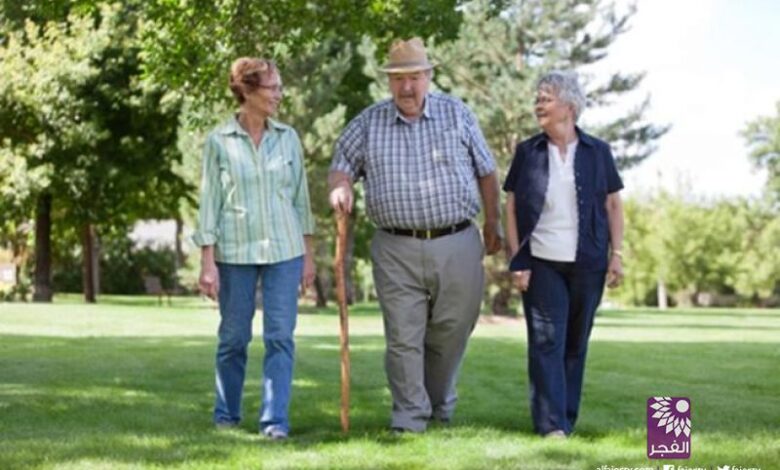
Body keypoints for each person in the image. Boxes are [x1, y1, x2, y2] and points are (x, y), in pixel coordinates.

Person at [328, 37, 503, 433]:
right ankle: (409, 416)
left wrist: (493, 223)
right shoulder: (368, 123)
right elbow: (341, 165)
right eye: (398, 79)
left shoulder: (457, 114)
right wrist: (339, 187)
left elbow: (487, 171)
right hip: (395, 246)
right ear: (388, 81)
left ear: (428, 76)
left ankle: (438, 403)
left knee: (452, 329)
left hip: (457, 240)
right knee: (403, 336)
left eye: (414, 78)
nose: (406, 87)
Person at [192, 57, 316, 440]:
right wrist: (207, 262)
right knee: (233, 338)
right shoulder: (219, 141)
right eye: (272, 87)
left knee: (280, 336)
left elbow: (301, 200)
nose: (279, 94)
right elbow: (210, 202)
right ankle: (226, 415)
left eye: (279, 87)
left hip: (285, 250)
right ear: (247, 91)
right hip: (235, 253)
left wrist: (308, 256)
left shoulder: (288, 137)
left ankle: (274, 421)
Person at [503, 70, 625, 438]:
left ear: (569, 106)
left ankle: (565, 418)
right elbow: (511, 208)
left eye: (546, 98)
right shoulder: (528, 152)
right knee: (546, 342)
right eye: (537, 98)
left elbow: (613, 205)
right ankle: (551, 424)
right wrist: (517, 259)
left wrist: (617, 254)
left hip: (588, 261)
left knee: (575, 343)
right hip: (542, 261)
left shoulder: (597, 152)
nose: (538, 104)